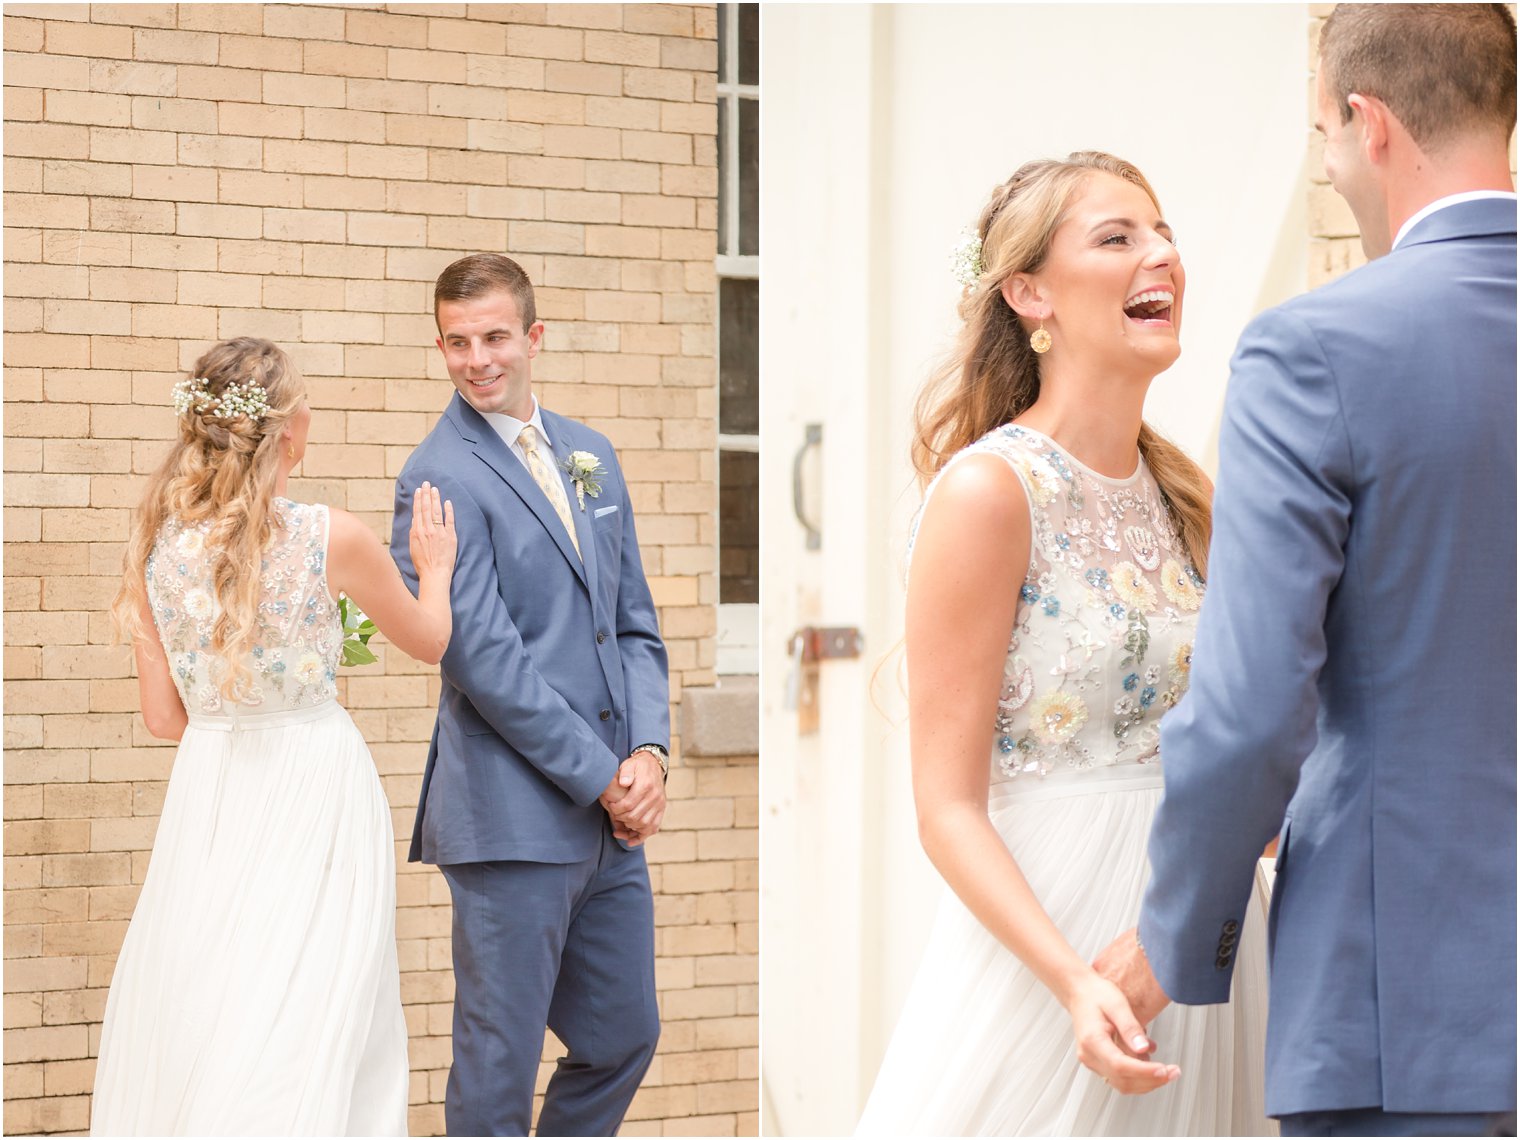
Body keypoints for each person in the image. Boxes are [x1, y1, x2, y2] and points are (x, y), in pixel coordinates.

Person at [1093, 6, 1518, 1137]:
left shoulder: (1316, 349)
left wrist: (1172, 938)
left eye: (1321, 136)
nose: (1325, 168)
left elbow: (1245, 714)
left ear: (1365, 124)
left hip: (1412, 1011)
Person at [855, 152, 1271, 1136]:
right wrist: (1074, 983)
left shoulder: (1189, 502)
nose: (1160, 255)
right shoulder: (989, 493)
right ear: (1027, 290)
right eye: (1116, 237)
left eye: (1161, 231)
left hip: (1196, 937)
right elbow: (946, 808)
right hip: (1055, 947)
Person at [93, 336, 458, 1135]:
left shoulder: (157, 547)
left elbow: (164, 719)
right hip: (311, 780)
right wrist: (436, 567)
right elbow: (431, 640)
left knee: (212, 991)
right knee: (315, 996)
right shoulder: (332, 536)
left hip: (211, 787)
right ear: (288, 427)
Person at [389, 253, 669, 1137]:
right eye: (458, 342)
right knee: (498, 1058)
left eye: (496, 337)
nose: (479, 359)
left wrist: (651, 754)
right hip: (511, 817)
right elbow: (485, 661)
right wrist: (603, 776)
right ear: (440, 345)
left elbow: (633, 624)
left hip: (609, 817)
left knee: (625, 1035)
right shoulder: (436, 477)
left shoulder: (592, 454)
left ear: (534, 337)